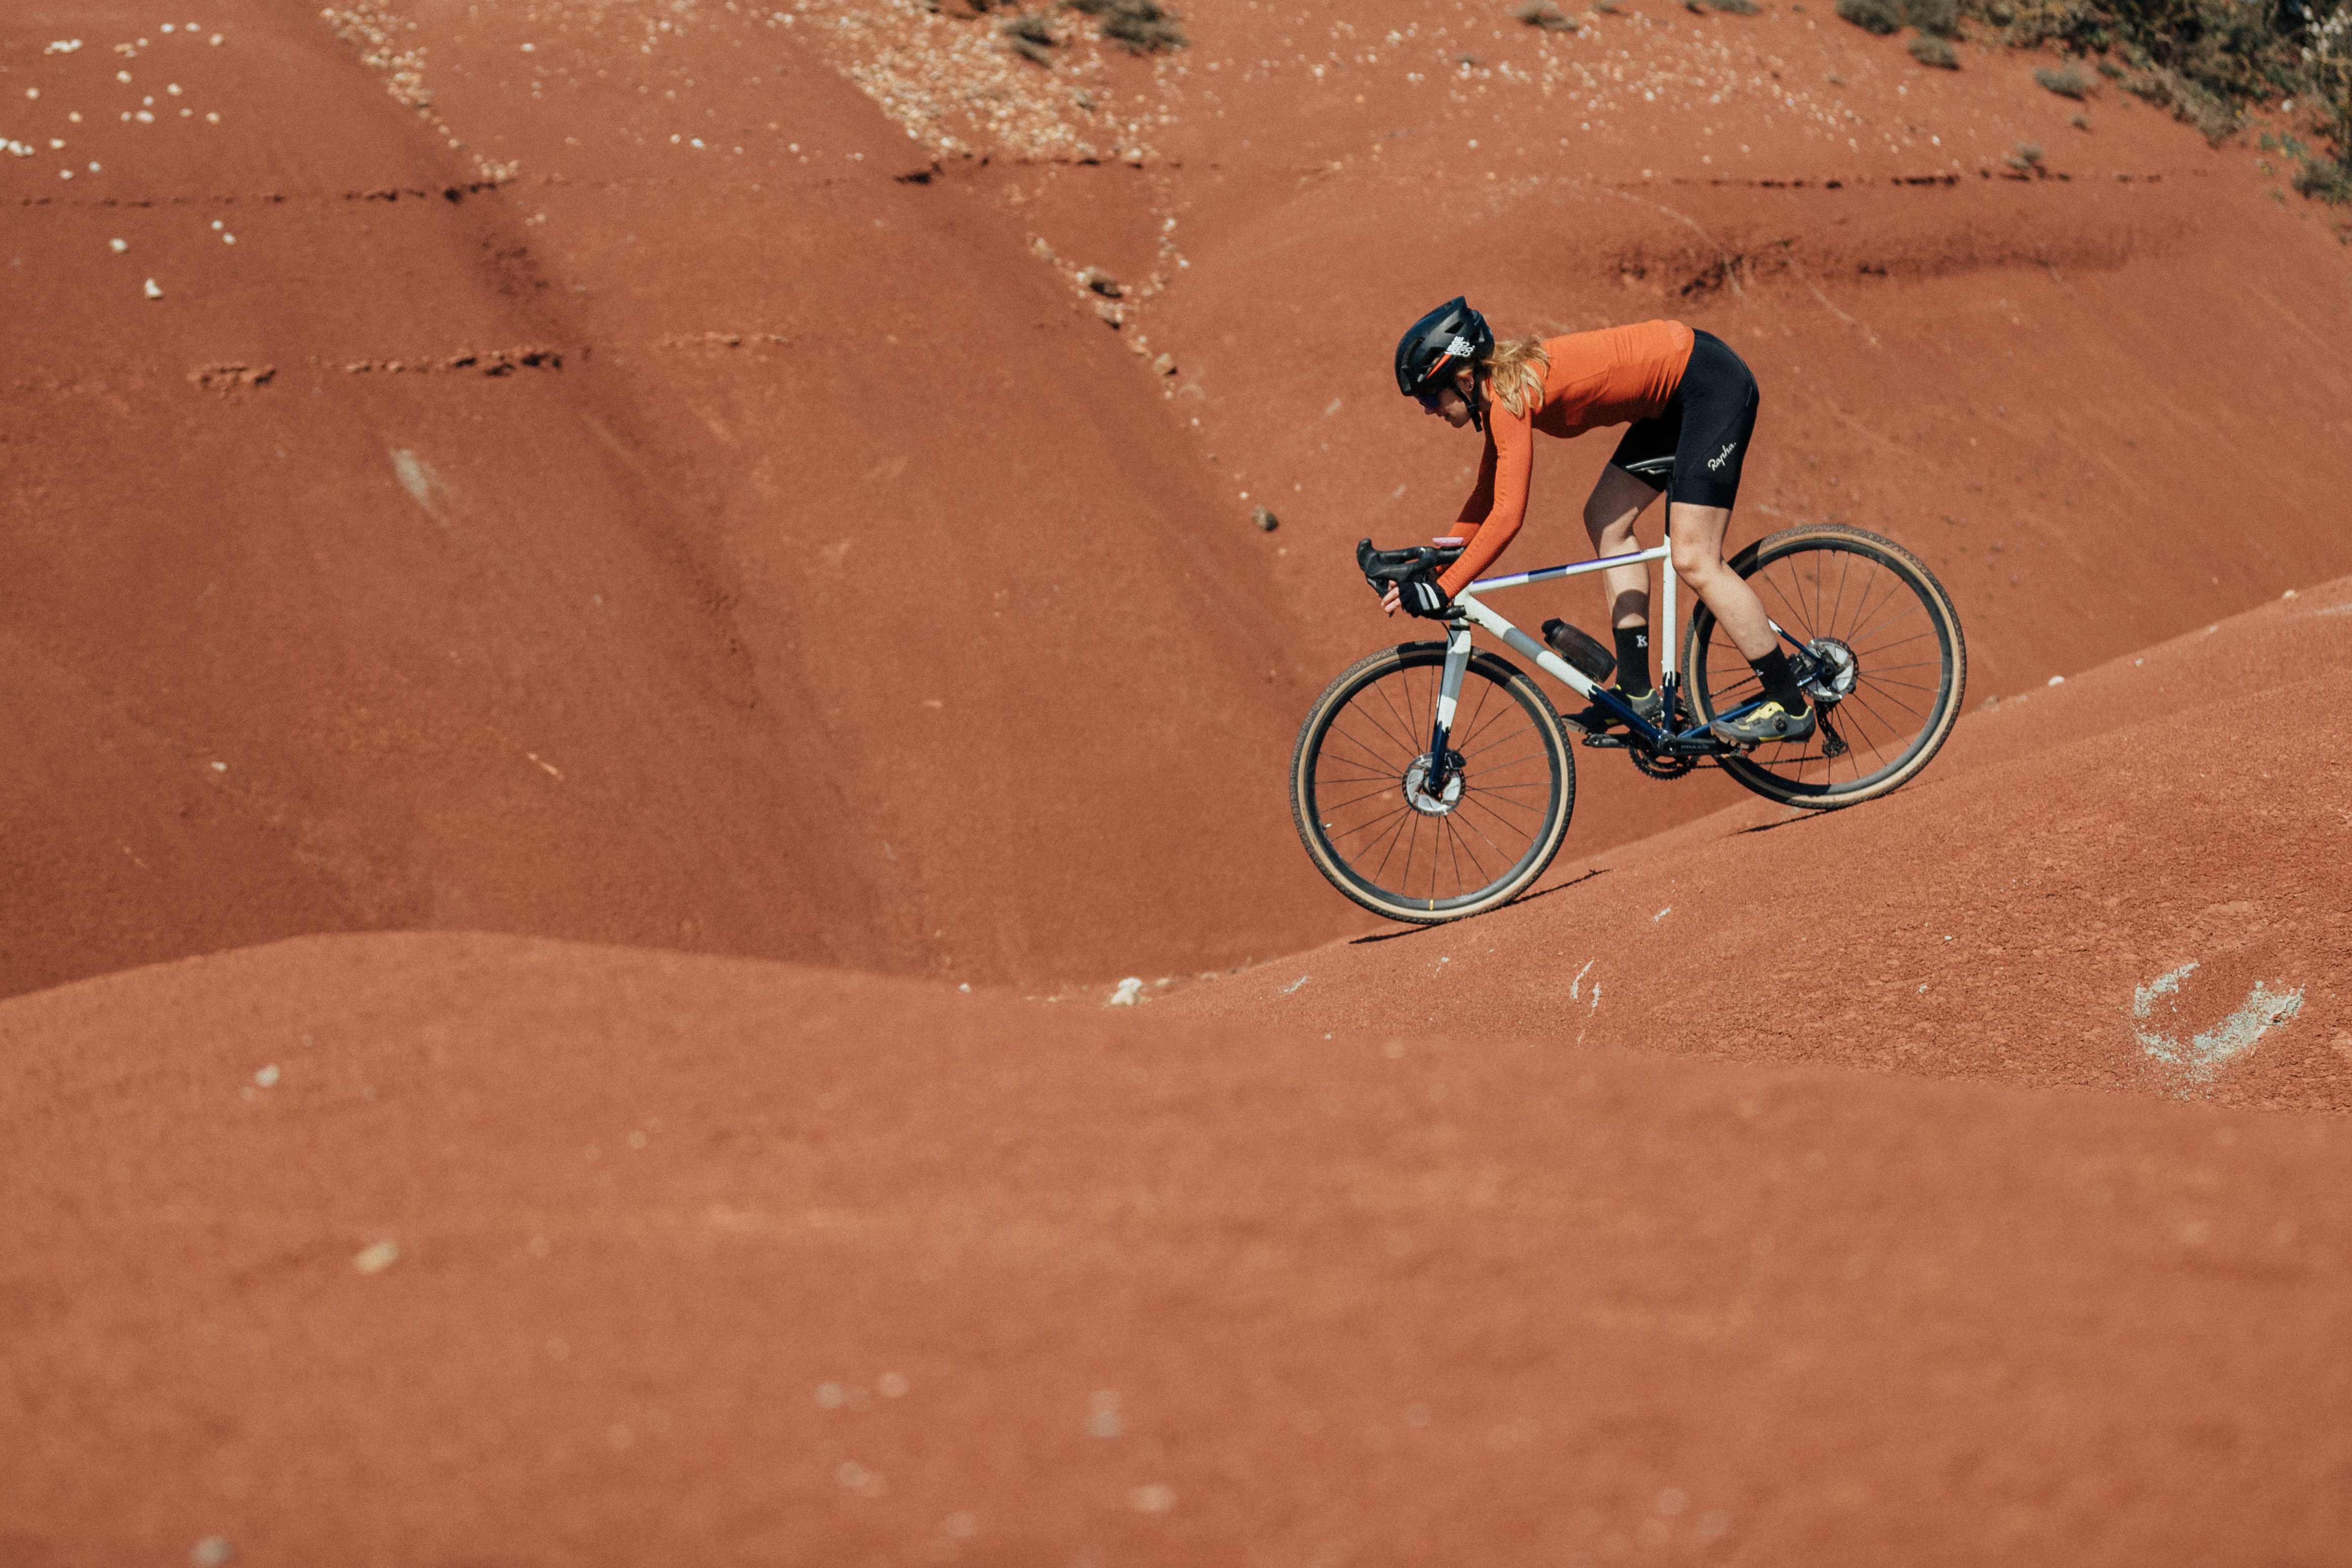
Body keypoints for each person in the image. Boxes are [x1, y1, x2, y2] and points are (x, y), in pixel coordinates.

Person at [1380, 297, 1813, 745]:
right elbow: (1485, 497)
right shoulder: (1498, 395)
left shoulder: (1509, 398)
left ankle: (1789, 703)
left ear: (1467, 381)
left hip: (1709, 385)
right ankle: (1638, 693)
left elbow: (1508, 516)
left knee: (1694, 558)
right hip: (1669, 403)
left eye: (1431, 396)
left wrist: (1444, 589)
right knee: (1606, 519)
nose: (1429, 409)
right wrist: (1433, 564)